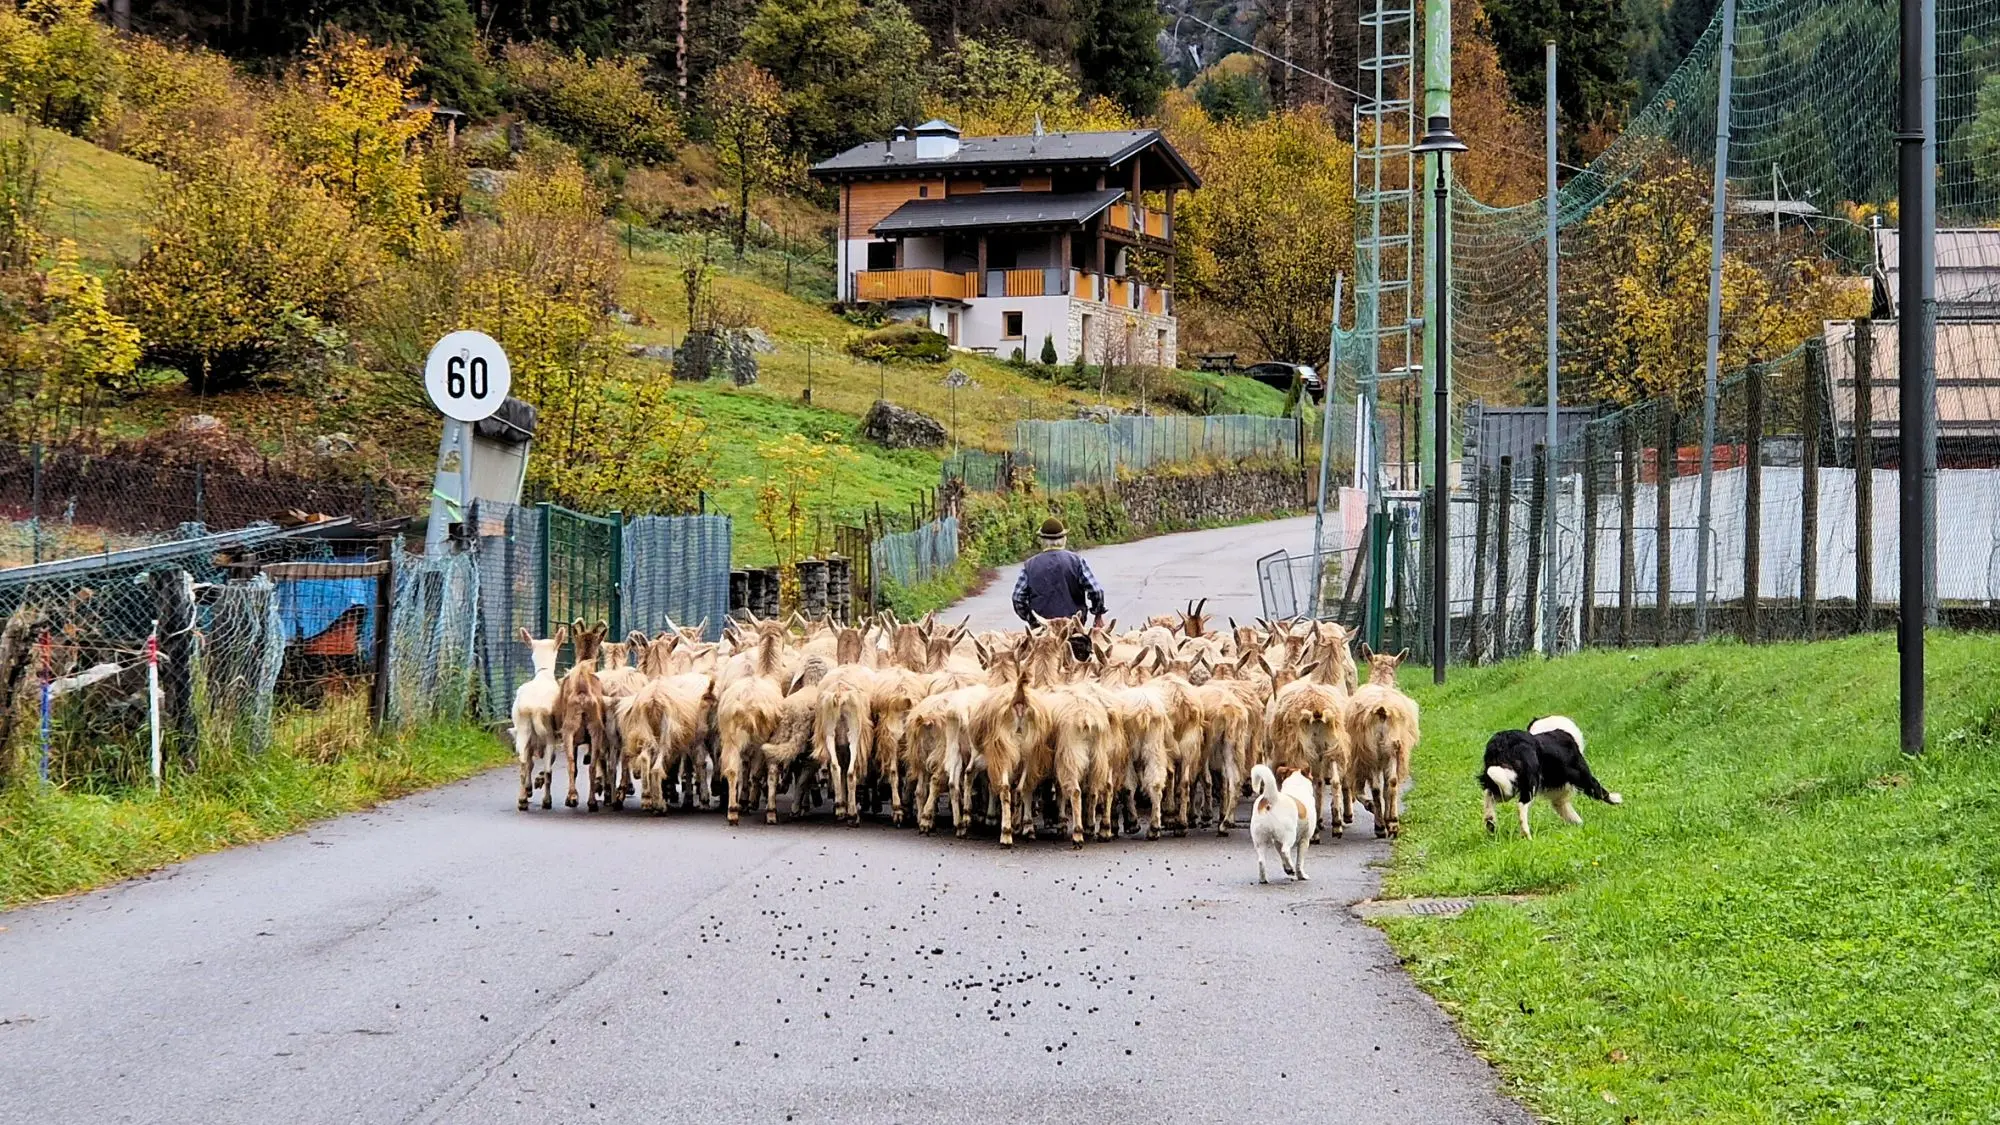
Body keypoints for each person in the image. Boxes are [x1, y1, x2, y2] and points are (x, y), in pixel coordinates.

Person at [1011, 517, 1106, 660]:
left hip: (1042, 631)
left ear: (1042, 540)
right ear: (1063, 539)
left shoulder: (1029, 565)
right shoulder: (1076, 561)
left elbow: (1018, 598)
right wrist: (1098, 614)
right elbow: (1096, 590)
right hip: (1073, 628)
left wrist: (1032, 620)